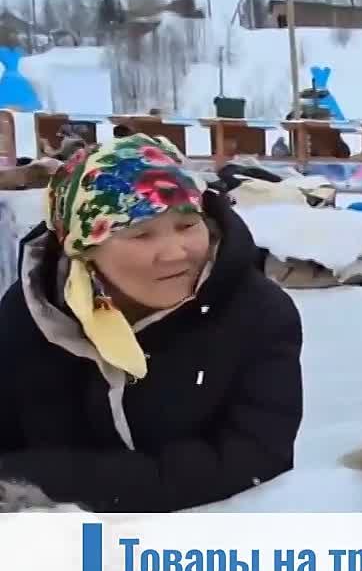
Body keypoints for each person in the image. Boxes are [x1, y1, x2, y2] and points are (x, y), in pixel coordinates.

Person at [0, 135, 303, 511]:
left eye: (187, 225)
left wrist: (45, 478)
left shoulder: (257, 314)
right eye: (141, 234)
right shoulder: (34, 314)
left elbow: (254, 459)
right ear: (83, 250)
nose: (176, 254)